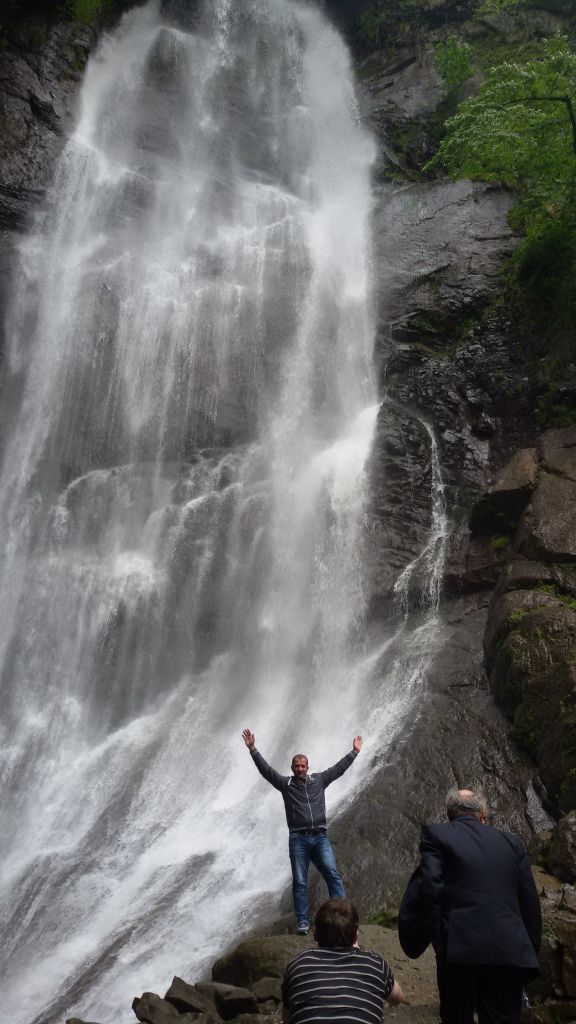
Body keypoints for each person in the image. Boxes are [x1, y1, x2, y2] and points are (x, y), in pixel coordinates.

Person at [398, 786, 542, 1024]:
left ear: (450, 814)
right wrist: (529, 951)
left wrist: (430, 938)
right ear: (483, 814)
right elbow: (529, 902)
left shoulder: (437, 834)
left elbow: (430, 886)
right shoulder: (512, 843)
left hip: (459, 948)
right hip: (510, 948)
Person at [242, 728, 362, 934]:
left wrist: (355, 752)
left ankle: (343, 915)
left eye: (303, 766)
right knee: (299, 882)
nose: (300, 768)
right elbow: (266, 771)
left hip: (320, 837)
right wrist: (253, 749)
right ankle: (303, 922)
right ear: (292, 768)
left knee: (332, 874)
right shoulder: (286, 784)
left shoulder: (319, 780)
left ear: (307, 767)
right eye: (296, 766)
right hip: (298, 839)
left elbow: (338, 769)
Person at [282, 898, 403, 1024]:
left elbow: (287, 1018)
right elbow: (397, 998)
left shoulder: (297, 965)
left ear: (315, 934)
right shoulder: (375, 963)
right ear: (356, 935)